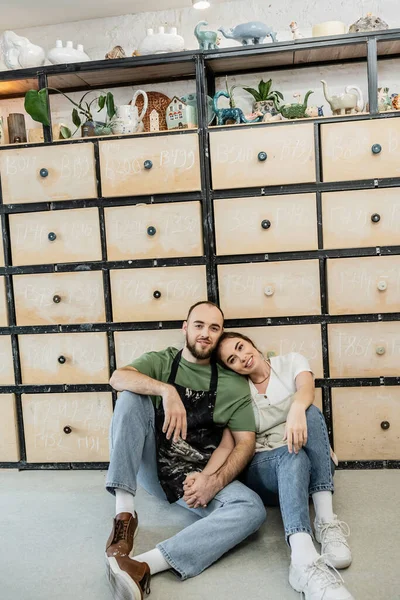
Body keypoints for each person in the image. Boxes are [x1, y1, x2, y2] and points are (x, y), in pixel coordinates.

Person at [105, 301, 266, 600]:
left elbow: (245, 443)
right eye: (199, 325)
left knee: (252, 509)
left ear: (220, 336)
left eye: (214, 328)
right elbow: (117, 377)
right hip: (154, 466)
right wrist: (166, 390)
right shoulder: (163, 361)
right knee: (130, 396)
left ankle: (141, 566)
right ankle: (124, 515)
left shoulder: (232, 383)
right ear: (185, 328)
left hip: (195, 477)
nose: (205, 333)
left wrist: (212, 482)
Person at [214, 331, 354, 600]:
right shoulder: (237, 391)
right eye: (232, 359)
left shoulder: (291, 362)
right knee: (292, 455)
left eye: (242, 347)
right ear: (230, 368)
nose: (242, 357)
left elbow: (306, 390)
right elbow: (228, 444)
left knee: (309, 410)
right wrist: (209, 478)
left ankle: (326, 522)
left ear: (253, 343)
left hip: (312, 467)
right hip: (266, 471)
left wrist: (296, 410)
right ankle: (302, 559)